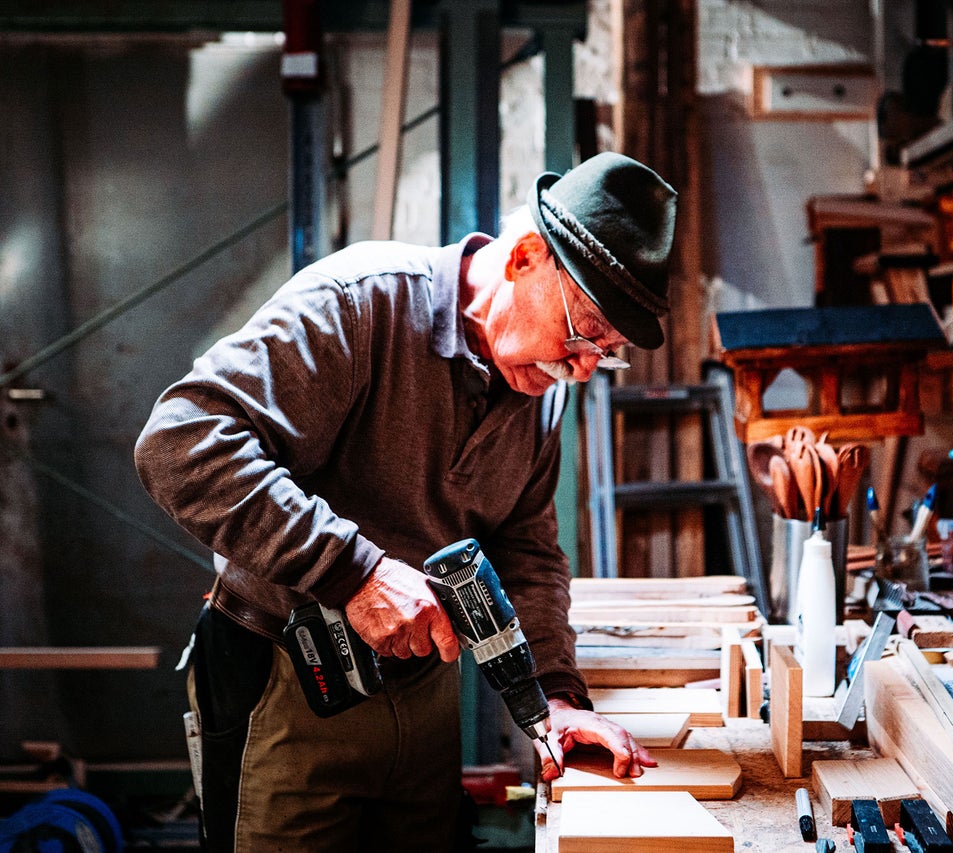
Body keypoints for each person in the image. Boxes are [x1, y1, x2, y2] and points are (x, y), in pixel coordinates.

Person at [134, 151, 677, 852]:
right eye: (582, 331)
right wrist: (353, 571)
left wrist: (555, 702)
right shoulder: (361, 305)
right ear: (525, 258)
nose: (579, 366)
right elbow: (180, 443)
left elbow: (527, 552)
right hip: (288, 682)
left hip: (422, 695)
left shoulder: (541, 389)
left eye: (605, 351)